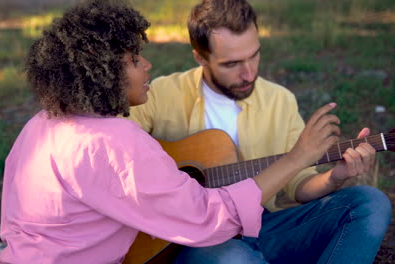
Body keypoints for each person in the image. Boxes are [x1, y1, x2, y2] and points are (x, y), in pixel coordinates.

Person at [0, 1, 359, 263]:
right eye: (136, 60)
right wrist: (298, 157)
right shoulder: (118, 142)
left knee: (364, 204)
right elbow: (210, 217)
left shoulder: (41, 124)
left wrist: (330, 175)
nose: (147, 64)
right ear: (105, 74)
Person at [127, 0, 392, 263]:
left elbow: (298, 185)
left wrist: (335, 178)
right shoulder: (160, 95)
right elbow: (112, 153)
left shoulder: (280, 101)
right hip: (195, 240)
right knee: (232, 257)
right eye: (231, 64)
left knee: (369, 203)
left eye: (254, 55)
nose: (249, 73)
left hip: (267, 226)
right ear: (200, 57)